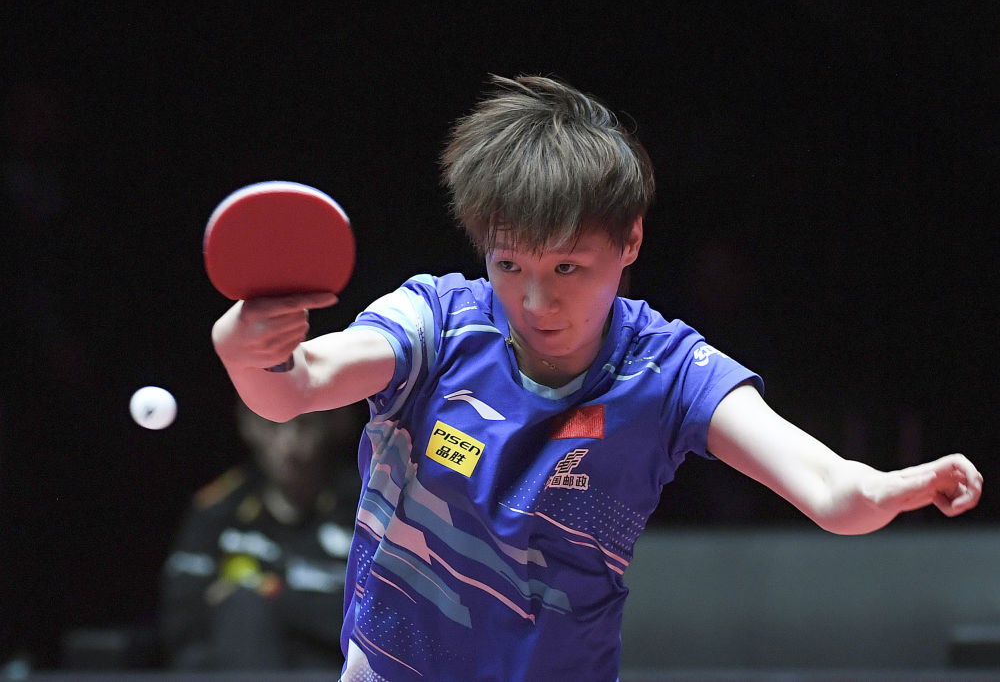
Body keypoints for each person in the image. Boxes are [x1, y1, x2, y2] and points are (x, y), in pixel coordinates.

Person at [209, 75, 983, 681]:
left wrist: (888, 489)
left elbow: (828, 488)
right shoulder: (435, 324)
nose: (535, 301)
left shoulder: (668, 371)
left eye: (568, 267)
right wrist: (243, 346)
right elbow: (293, 387)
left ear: (631, 240)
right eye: (509, 264)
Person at [160, 400, 364, 670]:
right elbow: (180, 620)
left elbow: (378, 620)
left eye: (304, 426)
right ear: (250, 425)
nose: (289, 443)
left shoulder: (366, 508)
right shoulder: (218, 508)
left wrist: (271, 593)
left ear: (334, 424)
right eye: (273, 425)